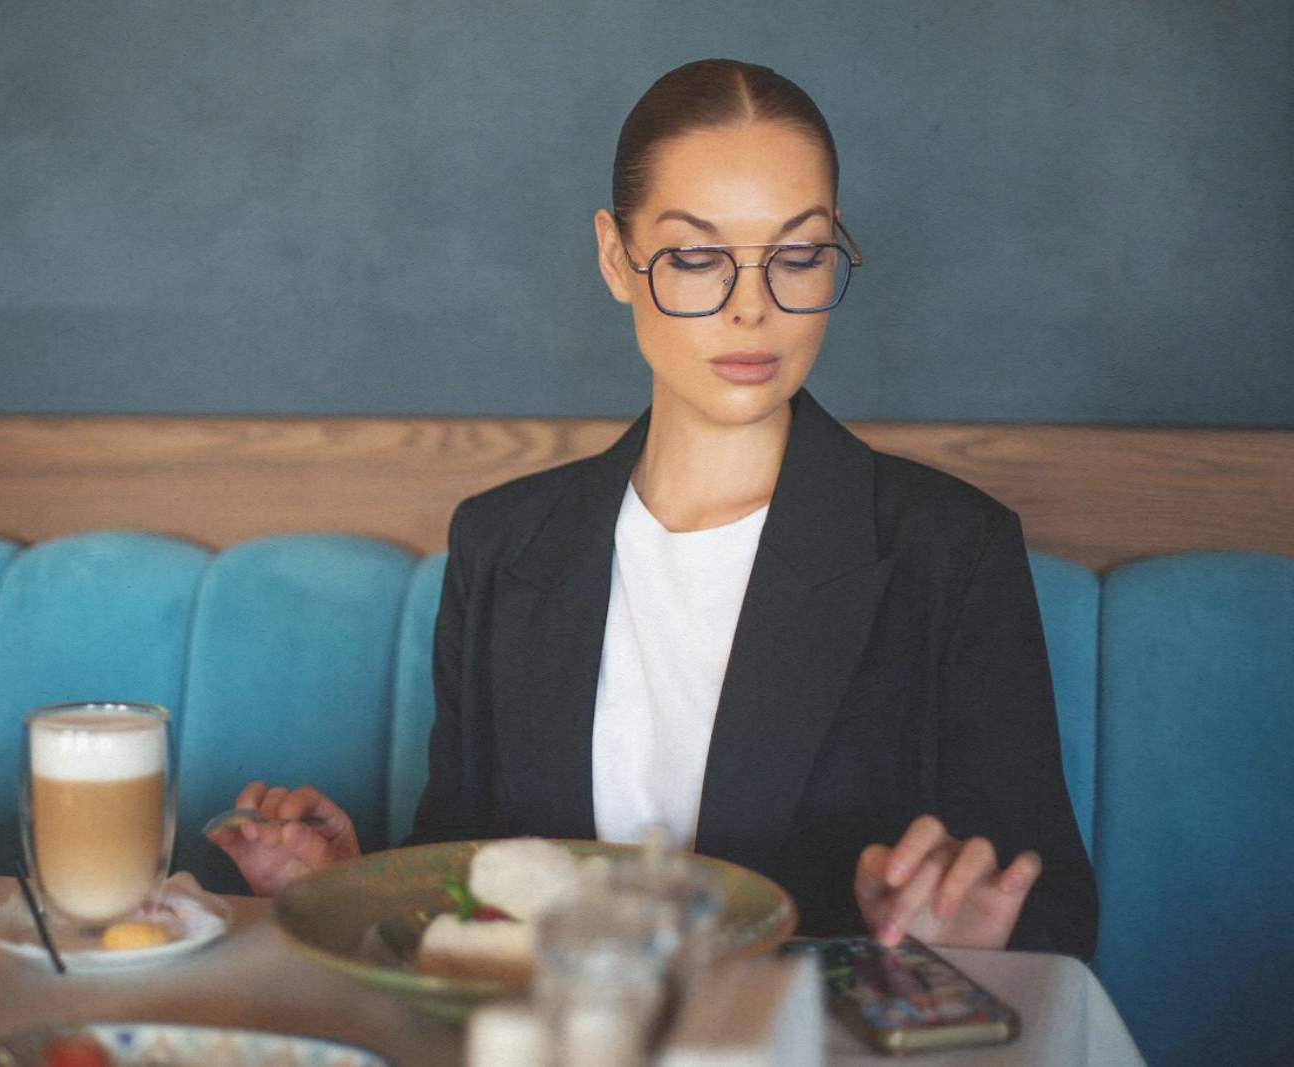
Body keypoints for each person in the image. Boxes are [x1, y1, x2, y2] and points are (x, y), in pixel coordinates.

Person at [210, 58, 1097, 960]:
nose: (752, 308)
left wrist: (966, 933)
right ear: (615, 258)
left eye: (796, 255)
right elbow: (471, 881)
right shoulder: (503, 543)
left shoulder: (951, 549)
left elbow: (1051, 906)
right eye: (697, 257)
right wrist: (352, 884)